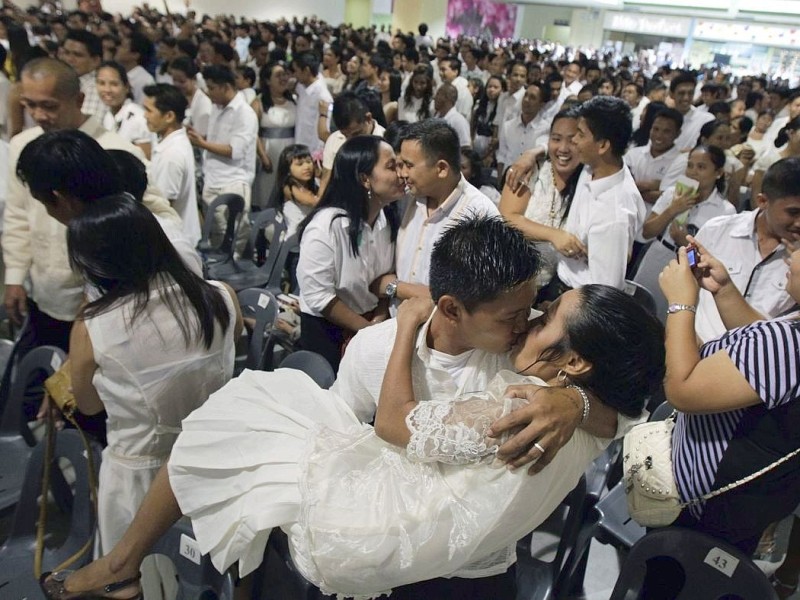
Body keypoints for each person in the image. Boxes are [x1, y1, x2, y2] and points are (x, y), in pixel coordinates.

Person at [43, 218, 664, 600]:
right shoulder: (375, 351)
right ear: (452, 310)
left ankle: (126, 562)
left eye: (542, 309)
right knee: (227, 436)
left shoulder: (528, 373)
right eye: (517, 314)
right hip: (387, 522)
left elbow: (622, 402)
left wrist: (574, 399)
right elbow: (346, 427)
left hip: (474, 571)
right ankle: (126, 563)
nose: (530, 320)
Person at [64, 193, 241, 555]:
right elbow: (233, 341)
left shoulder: (94, 326)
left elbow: (88, 405)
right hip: (215, 464)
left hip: (139, 479)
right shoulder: (220, 297)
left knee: (136, 570)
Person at [3, 58, 178, 353]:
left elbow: (162, 219)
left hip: (105, 304)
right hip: (44, 292)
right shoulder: (23, 146)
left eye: (49, 105)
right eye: (29, 105)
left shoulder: (116, 150)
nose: (38, 115)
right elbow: (18, 216)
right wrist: (14, 276)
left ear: (79, 100)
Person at [657, 236, 800, 560]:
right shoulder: (788, 338)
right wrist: (723, 290)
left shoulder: (787, 344)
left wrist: (681, 304)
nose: (792, 251)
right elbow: (767, 357)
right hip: (747, 510)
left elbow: (682, 389)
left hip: (701, 515)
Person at [296, 135, 403, 371]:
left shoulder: (388, 218)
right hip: (328, 332)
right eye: (391, 166)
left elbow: (385, 278)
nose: (401, 173)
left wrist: (379, 318)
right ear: (365, 179)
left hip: (372, 322)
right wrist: (368, 330)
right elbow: (319, 296)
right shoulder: (326, 226)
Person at [692, 156, 800, 343]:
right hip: (693, 346)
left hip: (750, 365)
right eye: (793, 213)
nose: (799, 223)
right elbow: (686, 285)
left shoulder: (798, 264)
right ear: (763, 201)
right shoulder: (716, 230)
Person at [634, 144, 735, 316]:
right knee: (637, 309)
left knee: (668, 319)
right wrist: (672, 209)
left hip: (688, 268)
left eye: (701, 167)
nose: (693, 171)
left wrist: (684, 242)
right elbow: (647, 232)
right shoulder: (672, 193)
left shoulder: (725, 210)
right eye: (690, 165)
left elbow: (716, 257)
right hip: (658, 254)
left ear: (718, 173)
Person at [499, 109, 585, 292]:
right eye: (556, 139)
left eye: (572, 140)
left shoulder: (587, 181)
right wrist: (554, 235)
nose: (563, 148)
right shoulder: (530, 171)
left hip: (554, 290)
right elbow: (507, 218)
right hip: (507, 281)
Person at [187, 64, 258, 254]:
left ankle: (233, 279)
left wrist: (201, 143)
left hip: (233, 181)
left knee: (235, 236)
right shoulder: (216, 107)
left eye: (212, 88)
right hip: (213, 179)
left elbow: (234, 151)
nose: (208, 93)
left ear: (226, 86)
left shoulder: (245, 113)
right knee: (217, 237)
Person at [142, 83, 201, 246]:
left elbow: (163, 207)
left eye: (149, 110)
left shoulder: (172, 154)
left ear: (169, 116)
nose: (144, 116)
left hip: (174, 242)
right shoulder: (170, 143)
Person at [251, 61, 296, 210]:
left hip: (290, 153)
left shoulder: (293, 101)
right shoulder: (259, 102)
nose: (283, 79)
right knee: (266, 194)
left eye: (285, 75)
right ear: (267, 80)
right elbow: (252, 132)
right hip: (268, 154)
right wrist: (263, 156)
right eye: (278, 76)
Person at [97, 61, 152, 158]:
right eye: (101, 83)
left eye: (114, 84)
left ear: (126, 87)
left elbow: (146, 159)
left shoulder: (139, 118)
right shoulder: (108, 116)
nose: (107, 90)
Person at [269, 143, 319, 236]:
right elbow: (311, 201)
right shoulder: (288, 187)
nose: (307, 167)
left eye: (309, 162)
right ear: (287, 170)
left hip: (310, 230)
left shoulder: (315, 184)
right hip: (293, 235)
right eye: (300, 164)